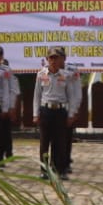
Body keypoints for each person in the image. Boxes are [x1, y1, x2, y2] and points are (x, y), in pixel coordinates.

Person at [33, 46, 83, 178]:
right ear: (47, 59)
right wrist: (35, 114)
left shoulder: (66, 75)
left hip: (60, 111)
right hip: (45, 111)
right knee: (44, 143)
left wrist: (71, 114)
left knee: (59, 142)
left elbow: (71, 96)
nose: (53, 61)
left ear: (61, 59)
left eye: (56, 58)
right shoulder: (41, 74)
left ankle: (59, 170)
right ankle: (44, 170)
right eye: (51, 58)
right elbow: (37, 95)